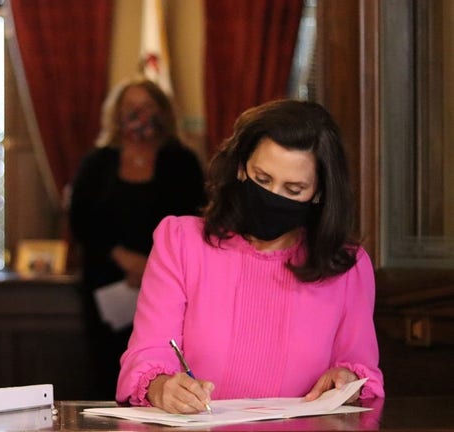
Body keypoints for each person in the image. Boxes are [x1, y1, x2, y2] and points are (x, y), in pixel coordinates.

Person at [116, 99, 384, 412]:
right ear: (242, 167)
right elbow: (148, 352)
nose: (274, 197)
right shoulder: (181, 242)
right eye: (263, 179)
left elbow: (361, 371)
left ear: (320, 192)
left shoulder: (347, 267)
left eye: (294, 189)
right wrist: (162, 387)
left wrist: (346, 380)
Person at [69, 76, 207, 399]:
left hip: (169, 281)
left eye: (146, 107)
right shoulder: (97, 162)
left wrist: (151, 265)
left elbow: (195, 218)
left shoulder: (182, 162)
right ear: (116, 114)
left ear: (162, 111)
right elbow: (81, 219)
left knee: (160, 366)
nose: (138, 115)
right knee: (105, 371)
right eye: (130, 108)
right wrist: (121, 257)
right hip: (106, 285)